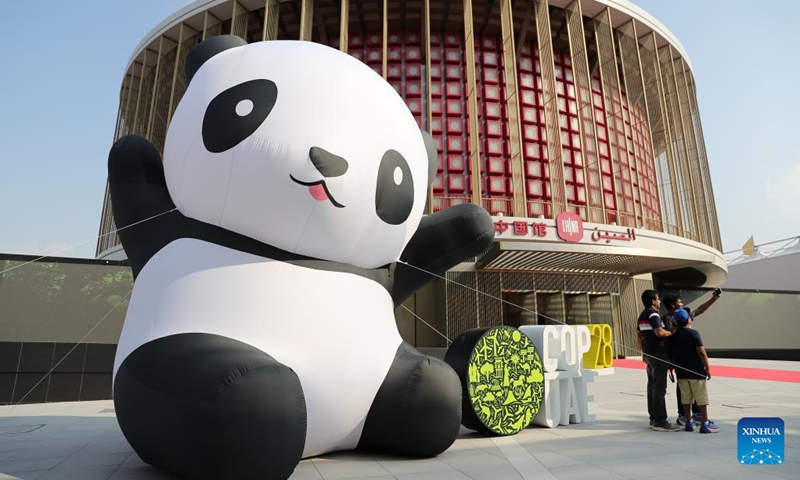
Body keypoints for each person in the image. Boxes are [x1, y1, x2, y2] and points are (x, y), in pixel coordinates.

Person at [662, 289, 722, 425]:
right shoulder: (666, 320)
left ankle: (693, 416)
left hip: (684, 360)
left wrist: (714, 298)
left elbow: (701, 309)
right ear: (673, 305)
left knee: (687, 388)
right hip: (680, 360)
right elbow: (701, 352)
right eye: (679, 302)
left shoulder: (684, 315)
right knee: (685, 389)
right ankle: (684, 415)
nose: (682, 304)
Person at [670, 308, 720, 433]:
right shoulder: (694, 334)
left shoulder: (672, 336)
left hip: (681, 372)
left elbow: (671, 353)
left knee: (685, 398)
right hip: (696, 371)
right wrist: (707, 368)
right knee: (701, 398)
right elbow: (701, 352)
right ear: (688, 319)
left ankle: (689, 421)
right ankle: (705, 423)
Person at [637, 290, 681, 431]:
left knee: (652, 387)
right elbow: (659, 332)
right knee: (659, 389)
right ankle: (661, 421)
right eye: (658, 299)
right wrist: (673, 332)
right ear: (653, 301)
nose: (660, 302)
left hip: (650, 356)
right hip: (659, 355)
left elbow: (639, 334)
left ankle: (653, 418)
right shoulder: (653, 314)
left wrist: (644, 352)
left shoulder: (642, 315)